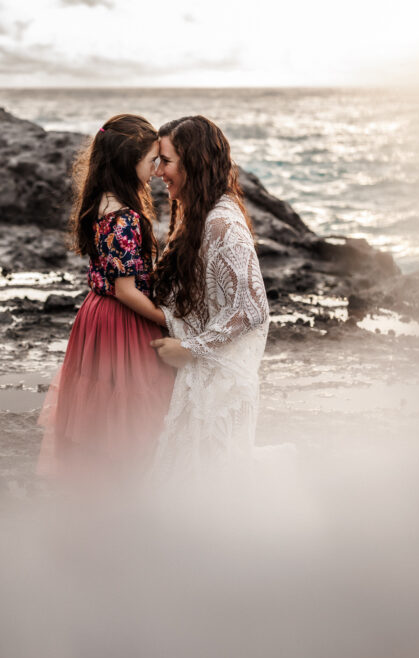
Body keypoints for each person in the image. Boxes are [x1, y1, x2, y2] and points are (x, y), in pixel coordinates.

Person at [37, 114, 175, 482]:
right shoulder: (125, 217)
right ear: (127, 163)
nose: (157, 169)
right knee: (133, 405)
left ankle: (98, 486)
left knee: (100, 405)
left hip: (96, 315)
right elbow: (126, 290)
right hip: (123, 319)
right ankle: (126, 486)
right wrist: (168, 321)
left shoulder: (101, 200)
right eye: (151, 161)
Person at [148, 115, 271, 476]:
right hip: (203, 379)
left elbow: (252, 308)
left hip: (221, 387)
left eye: (166, 161)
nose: (158, 173)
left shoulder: (223, 223)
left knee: (215, 492)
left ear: (194, 162)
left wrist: (189, 348)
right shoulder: (197, 213)